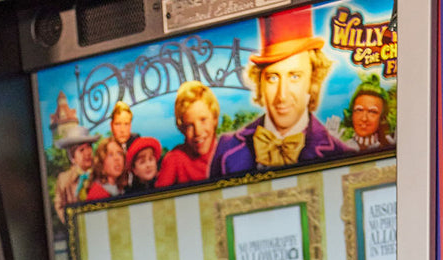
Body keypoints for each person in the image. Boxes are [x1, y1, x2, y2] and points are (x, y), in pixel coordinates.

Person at [210, 12, 354, 176]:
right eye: (272, 78)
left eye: (294, 77)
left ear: (312, 80)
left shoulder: (340, 153)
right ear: (260, 82)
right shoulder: (226, 149)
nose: (282, 95)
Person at [156, 82, 221, 186]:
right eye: (190, 125)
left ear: (215, 119)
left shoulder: (228, 152)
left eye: (203, 120)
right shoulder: (174, 159)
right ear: (182, 128)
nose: (198, 132)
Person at [51, 122, 95, 222]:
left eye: (89, 147)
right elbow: (59, 205)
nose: (87, 153)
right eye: (81, 150)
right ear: (72, 157)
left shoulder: (99, 173)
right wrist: (71, 223)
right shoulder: (64, 179)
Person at [347, 82, 395, 150]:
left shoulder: (387, 146)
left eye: (372, 112)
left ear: (382, 118)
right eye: (359, 110)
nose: (364, 118)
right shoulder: (342, 148)